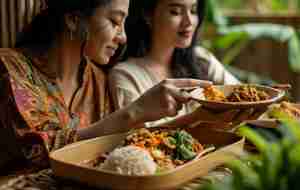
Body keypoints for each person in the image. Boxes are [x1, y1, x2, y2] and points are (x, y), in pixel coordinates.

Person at [0, 0, 211, 172]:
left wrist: (200, 116)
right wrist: (133, 112)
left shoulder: (97, 80)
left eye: (124, 24)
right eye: (114, 22)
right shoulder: (10, 68)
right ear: (73, 20)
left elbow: (133, 146)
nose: (122, 37)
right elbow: (35, 153)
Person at [109, 0, 240, 126]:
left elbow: (243, 95)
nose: (189, 21)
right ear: (148, 15)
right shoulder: (126, 76)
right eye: (175, 12)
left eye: (193, 10)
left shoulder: (201, 59)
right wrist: (196, 118)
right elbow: (138, 141)